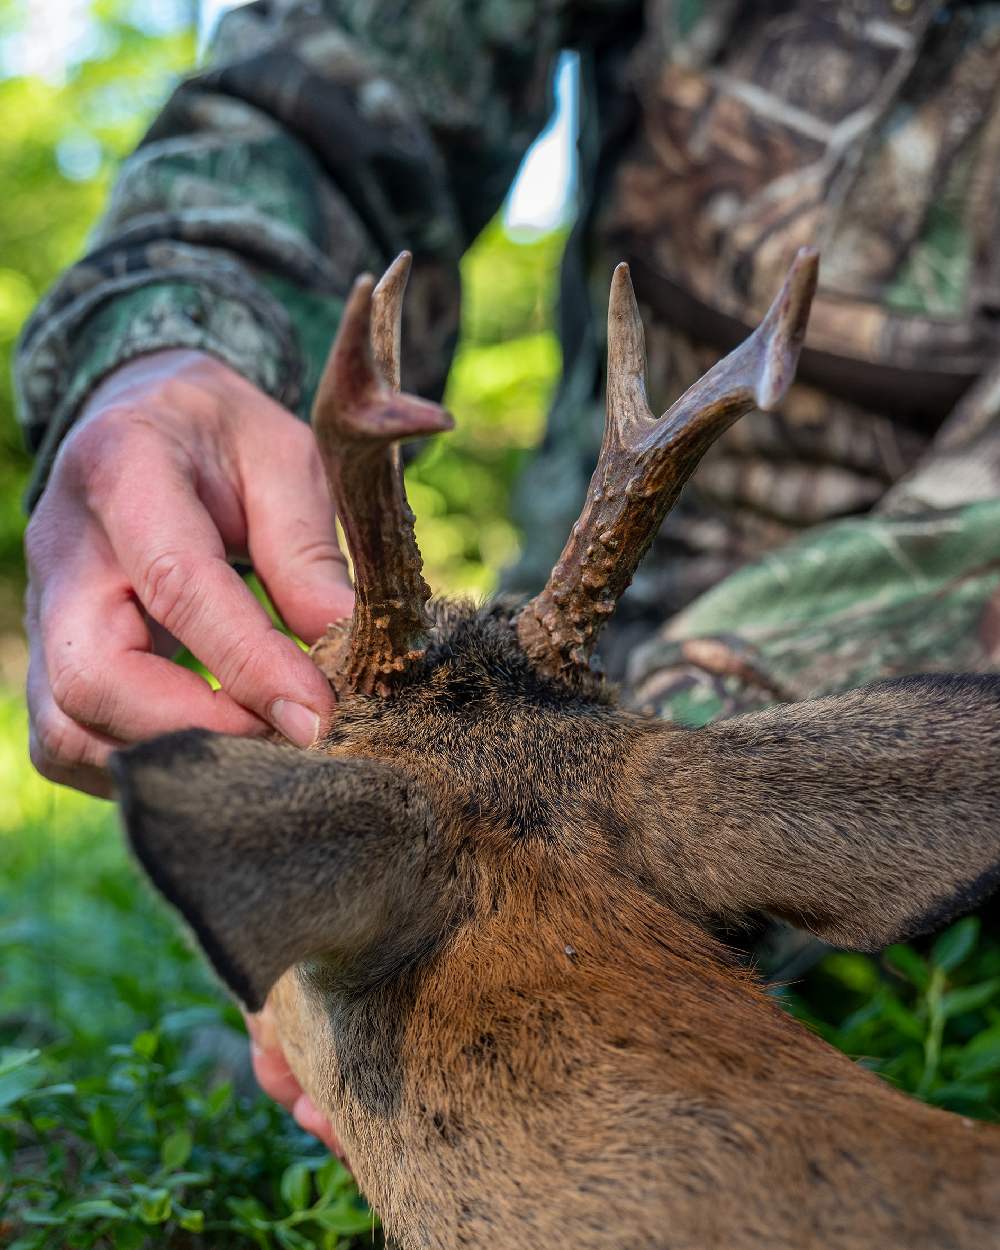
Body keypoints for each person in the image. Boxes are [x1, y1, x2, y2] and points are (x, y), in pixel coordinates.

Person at [17, 0, 1000, 1154]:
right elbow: (337, 81)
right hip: (575, 647)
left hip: (848, 713)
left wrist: (647, 777)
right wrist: (178, 343)